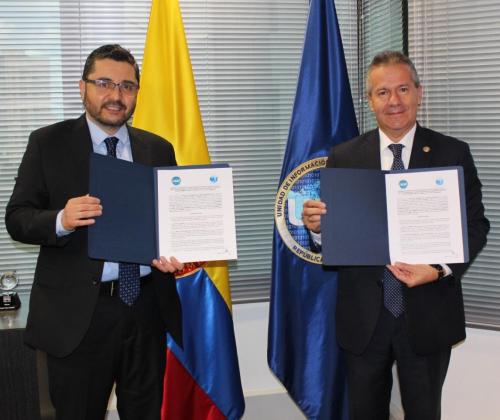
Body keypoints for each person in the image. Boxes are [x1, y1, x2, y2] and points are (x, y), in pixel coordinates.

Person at [302, 51, 489, 420]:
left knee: (424, 412)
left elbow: (475, 225)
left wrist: (438, 268)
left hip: (428, 312)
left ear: (419, 92)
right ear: (370, 100)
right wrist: (320, 230)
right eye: (383, 92)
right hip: (364, 318)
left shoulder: (453, 152)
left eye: (403, 89)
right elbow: (335, 237)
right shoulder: (344, 156)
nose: (395, 101)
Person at [5, 44, 183, 420]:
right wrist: (61, 220)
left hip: (147, 309)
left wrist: (175, 251)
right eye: (104, 83)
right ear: (81, 87)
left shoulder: (158, 149)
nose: (116, 95)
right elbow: (17, 218)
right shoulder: (48, 143)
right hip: (79, 316)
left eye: (127, 86)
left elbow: (171, 220)